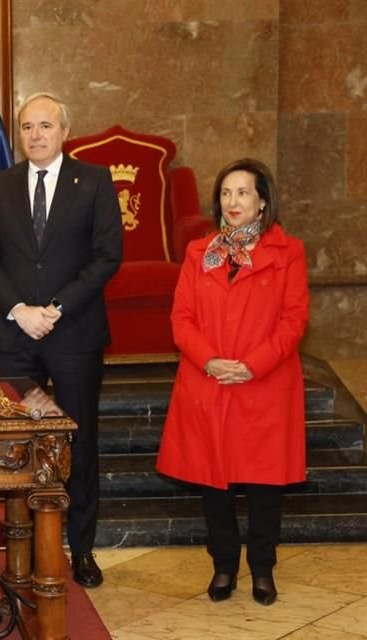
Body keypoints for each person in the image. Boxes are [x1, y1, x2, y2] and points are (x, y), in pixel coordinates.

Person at [0, 92, 123, 588]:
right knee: (20, 445)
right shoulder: (0, 185)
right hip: (17, 338)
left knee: (79, 442)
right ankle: (27, 547)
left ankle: (81, 550)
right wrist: (19, 310)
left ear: (64, 131)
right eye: (26, 127)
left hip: (73, 334)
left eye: (45, 126)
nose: (35, 135)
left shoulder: (94, 180)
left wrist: (54, 310)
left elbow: (107, 256)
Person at [156, 158, 308, 606]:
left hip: (265, 385)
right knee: (214, 484)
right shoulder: (200, 253)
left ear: (262, 201)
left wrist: (252, 365)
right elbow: (181, 319)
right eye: (226, 193)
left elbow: (294, 319)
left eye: (243, 192)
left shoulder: (289, 252)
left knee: (264, 485)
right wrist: (211, 360)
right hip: (208, 383)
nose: (233, 201)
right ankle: (224, 565)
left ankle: (262, 567)